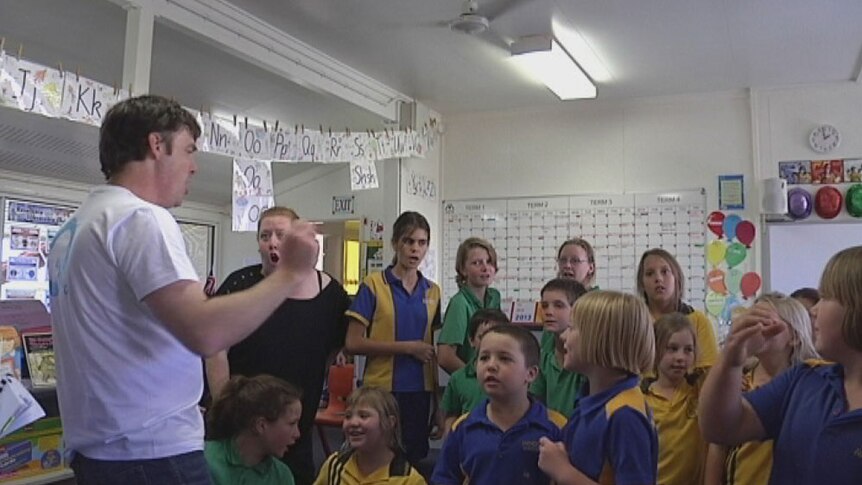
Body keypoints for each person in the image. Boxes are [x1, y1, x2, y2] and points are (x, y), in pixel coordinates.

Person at [47, 95, 320, 485]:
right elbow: (205, 333)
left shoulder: (77, 226)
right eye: (189, 150)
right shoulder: (140, 218)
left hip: (101, 452)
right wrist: (291, 273)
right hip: (149, 453)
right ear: (156, 145)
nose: (194, 167)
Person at [204, 206, 349, 485]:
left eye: (280, 235)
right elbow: (214, 346)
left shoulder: (331, 293)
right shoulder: (241, 283)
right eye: (264, 235)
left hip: (297, 423)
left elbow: (334, 346)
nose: (271, 242)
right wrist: (225, 404)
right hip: (244, 423)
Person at [698, 246, 859, 485]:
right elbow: (718, 427)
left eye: (826, 297)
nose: (813, 311)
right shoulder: (804, 380)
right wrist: (731, 360)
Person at [345, 211, 443, 466]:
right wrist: (407, 348)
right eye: (408, 241)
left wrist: (439, 405)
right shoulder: (373, 285)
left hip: (420, 390)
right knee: (378, 457)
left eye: (422, 243)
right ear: (395, 243)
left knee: (413, 461)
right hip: (381, 390)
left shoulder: (433, 291)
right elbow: (353, 343)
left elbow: (432, 350)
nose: (415, 249)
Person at [537, 290, 658, 485]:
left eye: (572, 327)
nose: (564, 336)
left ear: (601, 339)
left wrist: (563, 472)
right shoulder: (590, 400)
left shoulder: (625, 415)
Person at [703, 293, 818, 485]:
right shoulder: (739, 384)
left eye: (765, 322)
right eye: (751, 320)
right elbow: (717, 444)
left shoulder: (805, 390)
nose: (755, 329)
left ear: (795, 337)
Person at [432, 325, 567, 485]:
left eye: (504, 358)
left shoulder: (556, 426)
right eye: (484, 358)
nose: (491, 366)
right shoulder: (464, 426)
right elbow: (444, 478)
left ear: (530, 374)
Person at [642, 313, 708, 485]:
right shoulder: (643, 398)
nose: (680, 357)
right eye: (672, 348)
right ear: (655, 350)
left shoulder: (699, 390)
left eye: (688, 350)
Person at [314, 387, 427, 485]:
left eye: (363, 416)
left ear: (390, 423)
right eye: (348, 416)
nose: (353, 422)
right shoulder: (335, 465)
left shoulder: (409, 480)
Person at [204, 375, 302, 485]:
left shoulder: (282, 476)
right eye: (292, 423)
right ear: (261, 425)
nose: (297, 434)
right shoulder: (205, 462)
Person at [637, 248, 719, 369]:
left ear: (677, 279)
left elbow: (709, 371)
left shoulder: (698, 321)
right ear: (642, 284)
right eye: (649, 273)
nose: (658, 278)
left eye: (665, 272)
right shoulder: (634, 323)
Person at [440, 308, 510, 436]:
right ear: (471, 340)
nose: (490, 342)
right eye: (482, 337)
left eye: (496, 335)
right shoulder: (459, 378)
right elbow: (451, 415)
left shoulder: (514, 375)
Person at [437, 237, 501, 374]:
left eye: (489, 262)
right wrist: (473, 378)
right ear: (463, 270)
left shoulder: (494, 297)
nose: (485, 268)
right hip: (475, 381)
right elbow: (445, 356)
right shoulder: (460, 303)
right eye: (477, 263)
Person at [531, 278, 588, 416]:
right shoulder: (544, 358)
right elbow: (536, 400)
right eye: (544, 306)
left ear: (578, 310)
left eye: (558, 305)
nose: (548, 312)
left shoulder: (587, 358)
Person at [541, 238, 597, 352]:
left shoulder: (599, 303)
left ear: (591, 268)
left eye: (575, 261)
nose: (567, 265)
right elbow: (546, 350)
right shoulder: (553, 298)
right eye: (562, 260)